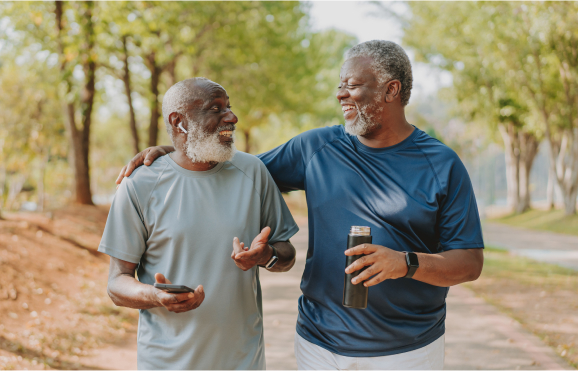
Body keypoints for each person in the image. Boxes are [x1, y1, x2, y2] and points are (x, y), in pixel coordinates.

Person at [116, 41, 484, 370]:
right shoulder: (315, 149)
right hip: (318, 345)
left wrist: (404, 263)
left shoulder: (441, 164)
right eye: (339, 85)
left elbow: (469, 263)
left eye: (351, 85)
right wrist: (175, 150)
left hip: (408, 350)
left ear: (391, 90)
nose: (340, 95)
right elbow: (228, 167)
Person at [100, 77, 299, 370]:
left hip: (242, 361)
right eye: (216, 109)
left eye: (228, 107)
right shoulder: (139, 186)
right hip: (166, 363)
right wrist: (155, 296)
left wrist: (267, 256)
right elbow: (117, 284)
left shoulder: (252, 171)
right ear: (178, 121)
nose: (232, 117)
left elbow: (287, 254)